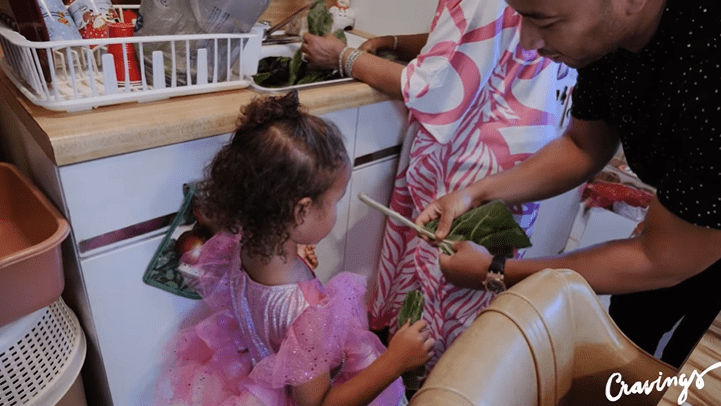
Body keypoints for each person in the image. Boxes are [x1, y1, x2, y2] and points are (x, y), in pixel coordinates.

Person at [415, 0, 721, 368]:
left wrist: (494, 272)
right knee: (630, 320)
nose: (528, 42)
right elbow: (582, 146)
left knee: (677, 364)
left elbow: (661, 258)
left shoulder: (709, 66)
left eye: (546, 21)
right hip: (691, 223)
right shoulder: (608, 39)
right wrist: (474, 192)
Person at [302, 0, 570, 372]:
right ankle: (442, 380)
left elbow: (431, 87)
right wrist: (395, 41)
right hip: (518, 156)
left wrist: (341, 56)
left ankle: (420, 382)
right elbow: (473, 41)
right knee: (469, 293)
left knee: (439, 284)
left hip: (470, 159)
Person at [153, 91, 434, 406]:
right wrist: (394, 360)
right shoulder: (307, 313)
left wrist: (296, 253)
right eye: (333, 202)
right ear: (300, 212)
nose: (335, 210)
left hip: (259, 374)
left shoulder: (243, 243)